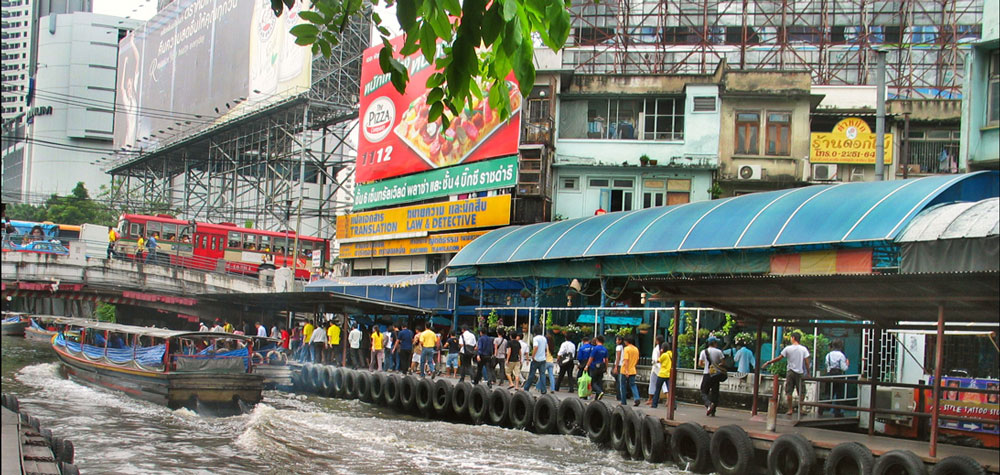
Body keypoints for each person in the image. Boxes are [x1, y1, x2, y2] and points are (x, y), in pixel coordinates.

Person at [763, 332, 810, 416]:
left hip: (790, 371)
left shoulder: (788, 348)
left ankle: (790, 409)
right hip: (800, 372)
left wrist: (769, 362)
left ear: (793, 338)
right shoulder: (803, 349)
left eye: (791, 338)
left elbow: (779, 358)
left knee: (789, 391)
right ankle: (800, 409)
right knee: (802, 391)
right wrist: (808, 372)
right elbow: (807, 362)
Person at [699, 336, 725, 416]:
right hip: (716, 374)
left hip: (707, 373)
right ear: (714, 343)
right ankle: (713, 411)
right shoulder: (719, 352)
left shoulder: (703, 352)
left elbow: (700, 363)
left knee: (703, 391)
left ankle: (708, 404)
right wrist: (717, 365)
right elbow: (723, 363)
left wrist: (707, 365)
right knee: (715, 392)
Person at [824, 338, 849, 417]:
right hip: (838, 375)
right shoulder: (841, 355)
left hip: (830, 375)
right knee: (839, 394)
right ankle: (837, 411)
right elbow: (843, 368)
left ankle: (822, 408)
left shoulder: (828, 355)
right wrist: (847, 364)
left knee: (829, 393)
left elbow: (827, 366)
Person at [522, 326, 548, 394]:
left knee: (531, 374)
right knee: (542, 375)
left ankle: (526, 388)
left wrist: (533, 356)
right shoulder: (544, 338)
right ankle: (543, 390)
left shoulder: (535, 338)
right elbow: (546, 348)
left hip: (536, 359)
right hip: (543, 359)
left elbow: (535, 347)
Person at [618, 337, 641, 406]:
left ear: (627, 341)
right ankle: (636, 398)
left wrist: (626, 370)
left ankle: (623, 401)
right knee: (633, 385)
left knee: (623, 385)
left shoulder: (626, 349)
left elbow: (626, 360)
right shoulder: (636, 349)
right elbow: (637, 359)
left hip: (624, 370)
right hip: (633, 369)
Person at [586, 335, 609, 400]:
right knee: (599, 382)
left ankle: (599, 391)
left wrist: (587, 366)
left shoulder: (595, 348)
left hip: (594, 366)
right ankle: (597, 397)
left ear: (597, 340)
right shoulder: (605, 349)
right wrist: (606, 368)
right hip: (601, 367)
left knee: (593, 382)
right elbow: (606, 359)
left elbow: (591, 358)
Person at [647, 335, 665, 405]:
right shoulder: (664, 348)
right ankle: (651, 399)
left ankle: (651, 399)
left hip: (656, 367)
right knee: (662, 383)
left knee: (654, 382)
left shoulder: (657, 349)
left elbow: (655, 359)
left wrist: (655, 362)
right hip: (661, 367)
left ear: (657, 341)